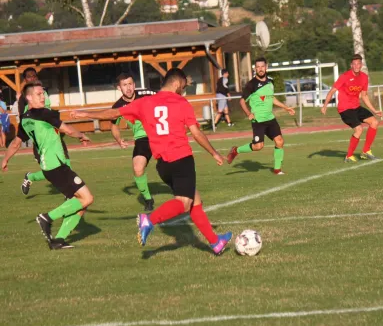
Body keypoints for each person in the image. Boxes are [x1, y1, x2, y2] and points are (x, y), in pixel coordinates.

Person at [70, 68, 233, 256]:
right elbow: (196, 132)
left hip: (163, 165)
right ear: (177, 83)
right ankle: (150, 220)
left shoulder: (144, 102)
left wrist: (85, 114)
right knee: (184, 202)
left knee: (195, 200)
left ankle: (215, 242)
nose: (183, 91)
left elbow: (113, 113)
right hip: (181, 159)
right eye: (183, 87)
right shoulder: (181, 102)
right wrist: (214, 153)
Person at [2, 82, 93, 250]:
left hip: (48, 166)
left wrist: (5, 159)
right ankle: (47, 218)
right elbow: (67, 129)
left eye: (43, 94)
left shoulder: (26, 119)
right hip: (56, 165)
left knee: (81, 204)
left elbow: (16, 143)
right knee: (87, 198)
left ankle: (58, 240)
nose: (43, 97)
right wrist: (81, 135)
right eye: (38, 94)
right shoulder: (43, 113)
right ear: (29, 97)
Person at [226, 57, 296, 175]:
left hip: (270, 118)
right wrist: (248, 113)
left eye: (262, 66)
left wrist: (285, 107)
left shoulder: (270, 82)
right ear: (255, 69)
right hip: (258, 120)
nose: (260, 69)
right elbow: (242, 101)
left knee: (279, 142)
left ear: (266, 67)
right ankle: (236, 150)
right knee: (258, 146)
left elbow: (271, 98)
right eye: (258, 67)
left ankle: (277, 169)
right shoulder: (251, 85)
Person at [16, 67, 72, 196]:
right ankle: (31, 177)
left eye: (34, 75)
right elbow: (24, 119)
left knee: (66, 164)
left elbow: (47, 111)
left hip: (53, 132)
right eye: (29, 76)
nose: (33, 78)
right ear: (25, 80)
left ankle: (71, 192)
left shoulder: (43, 91)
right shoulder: (24, 98)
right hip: (41, 138)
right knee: (50, 171)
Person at [321, 54, 383, 162]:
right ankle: (348, 156)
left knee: (374, 122)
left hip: (356, 107)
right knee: (359, 129)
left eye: (358, 63)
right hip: (345, 109)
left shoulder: (364, 77)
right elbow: (332, 92)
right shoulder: (344, 76)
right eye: (354, 64)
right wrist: (325, 105)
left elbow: (364, 95)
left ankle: (366, 151)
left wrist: (374, 110)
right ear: (351, 65)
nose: (356, 66)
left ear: (361, 65)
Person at [111, 73, 157, 211]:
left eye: (130, 84)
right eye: (124, 85)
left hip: (159, 134)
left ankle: (183, 191)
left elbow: (166, 97)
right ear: (119, 88)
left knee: (172, 164)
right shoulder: (118, 106)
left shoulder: (147, 93)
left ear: (134, 85)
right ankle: (148, 199)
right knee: (137, 168)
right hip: (142, 139)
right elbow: (113, 126)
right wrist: (119, 139)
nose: (128, 87)